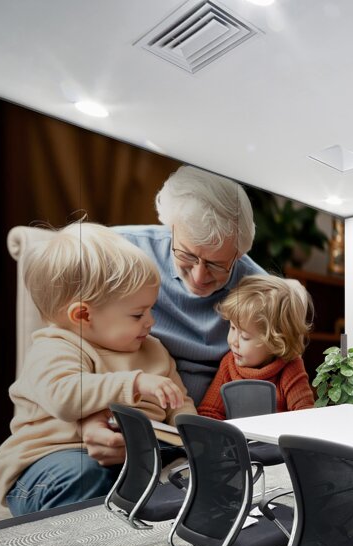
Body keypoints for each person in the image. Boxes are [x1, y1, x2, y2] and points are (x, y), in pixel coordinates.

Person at [0, 223, 196, 515]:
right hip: (50, 462)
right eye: (138, 314)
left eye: (151, 309)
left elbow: (179, 400)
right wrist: (135, 384)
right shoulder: (56, 346)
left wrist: (191, 432)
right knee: (85, 475)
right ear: (83, 315)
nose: (150, 321)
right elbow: (65, 396)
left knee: (183, 472)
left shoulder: (153, 350)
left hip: (136, 459)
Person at [82, 165, 265, 465]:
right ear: (171, 228)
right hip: (123, 419)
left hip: (206, 435)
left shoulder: (256, 289)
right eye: (187, 255)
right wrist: (87, 419)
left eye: (218, 265)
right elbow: (66, 336)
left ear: (240, 253)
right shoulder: (122, 251)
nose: (199, 276)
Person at [198, 275, 315, 419]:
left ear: (275, 342)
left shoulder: (290, 367)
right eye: (233, 328)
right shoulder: (228, 364)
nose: (233, 341)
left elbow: (305, 416)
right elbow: (209, 412)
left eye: (245, 336)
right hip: (237, 440)